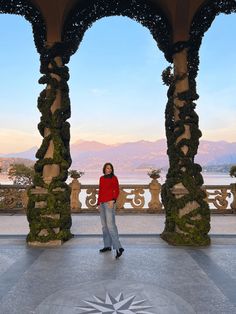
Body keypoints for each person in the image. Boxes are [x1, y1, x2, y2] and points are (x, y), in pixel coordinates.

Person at [96, 162, 124, 259]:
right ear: (104, 169)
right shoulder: (101, 178)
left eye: (110, 168)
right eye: (107, 168)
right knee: (104, 226)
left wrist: (113, 200)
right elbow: (100, 191)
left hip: (109, 203)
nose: (109, 169)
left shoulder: (114, 178)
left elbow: (116, 190)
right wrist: (98, 203)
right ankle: (107, 246)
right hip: (102, 204)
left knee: (111, 226)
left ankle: (118, 248)